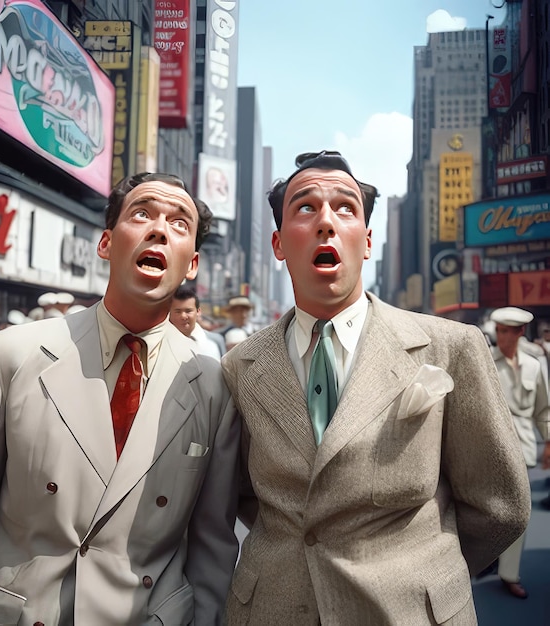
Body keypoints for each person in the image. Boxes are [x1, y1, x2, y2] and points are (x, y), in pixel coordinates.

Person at [221, 150, 531, 625]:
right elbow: (245, 494)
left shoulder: (451, 347)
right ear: (279, 243)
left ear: (365, 241)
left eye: (345, 208)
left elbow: (499, 504)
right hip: (275, 608)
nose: (326, 221)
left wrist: (426, 571)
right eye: (305, 207)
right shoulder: (241, 365)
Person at [0, 172, 240, 625]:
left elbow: (213, 546)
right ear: (106, 243)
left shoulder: (213, 384)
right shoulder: (8, 356)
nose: (158, 229)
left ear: (191, 264)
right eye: (143, 213)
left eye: (179, 223)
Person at [489, 306, 550, 599]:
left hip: (523, 448)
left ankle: (509, 573)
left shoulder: (536, 365)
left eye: (505, 332)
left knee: (518, 514)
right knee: (485, 509)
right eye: (498, 331)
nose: (500, 337)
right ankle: (484, 557)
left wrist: (548, 442)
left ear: (520, 332)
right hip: (488, 446)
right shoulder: (486, 361)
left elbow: (543, 409)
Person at [170, 284, 226, 360]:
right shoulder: (161, 342)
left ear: (198, 311)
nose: (183, 316)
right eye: (178, 311)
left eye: (188, 311)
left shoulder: (215, 341)